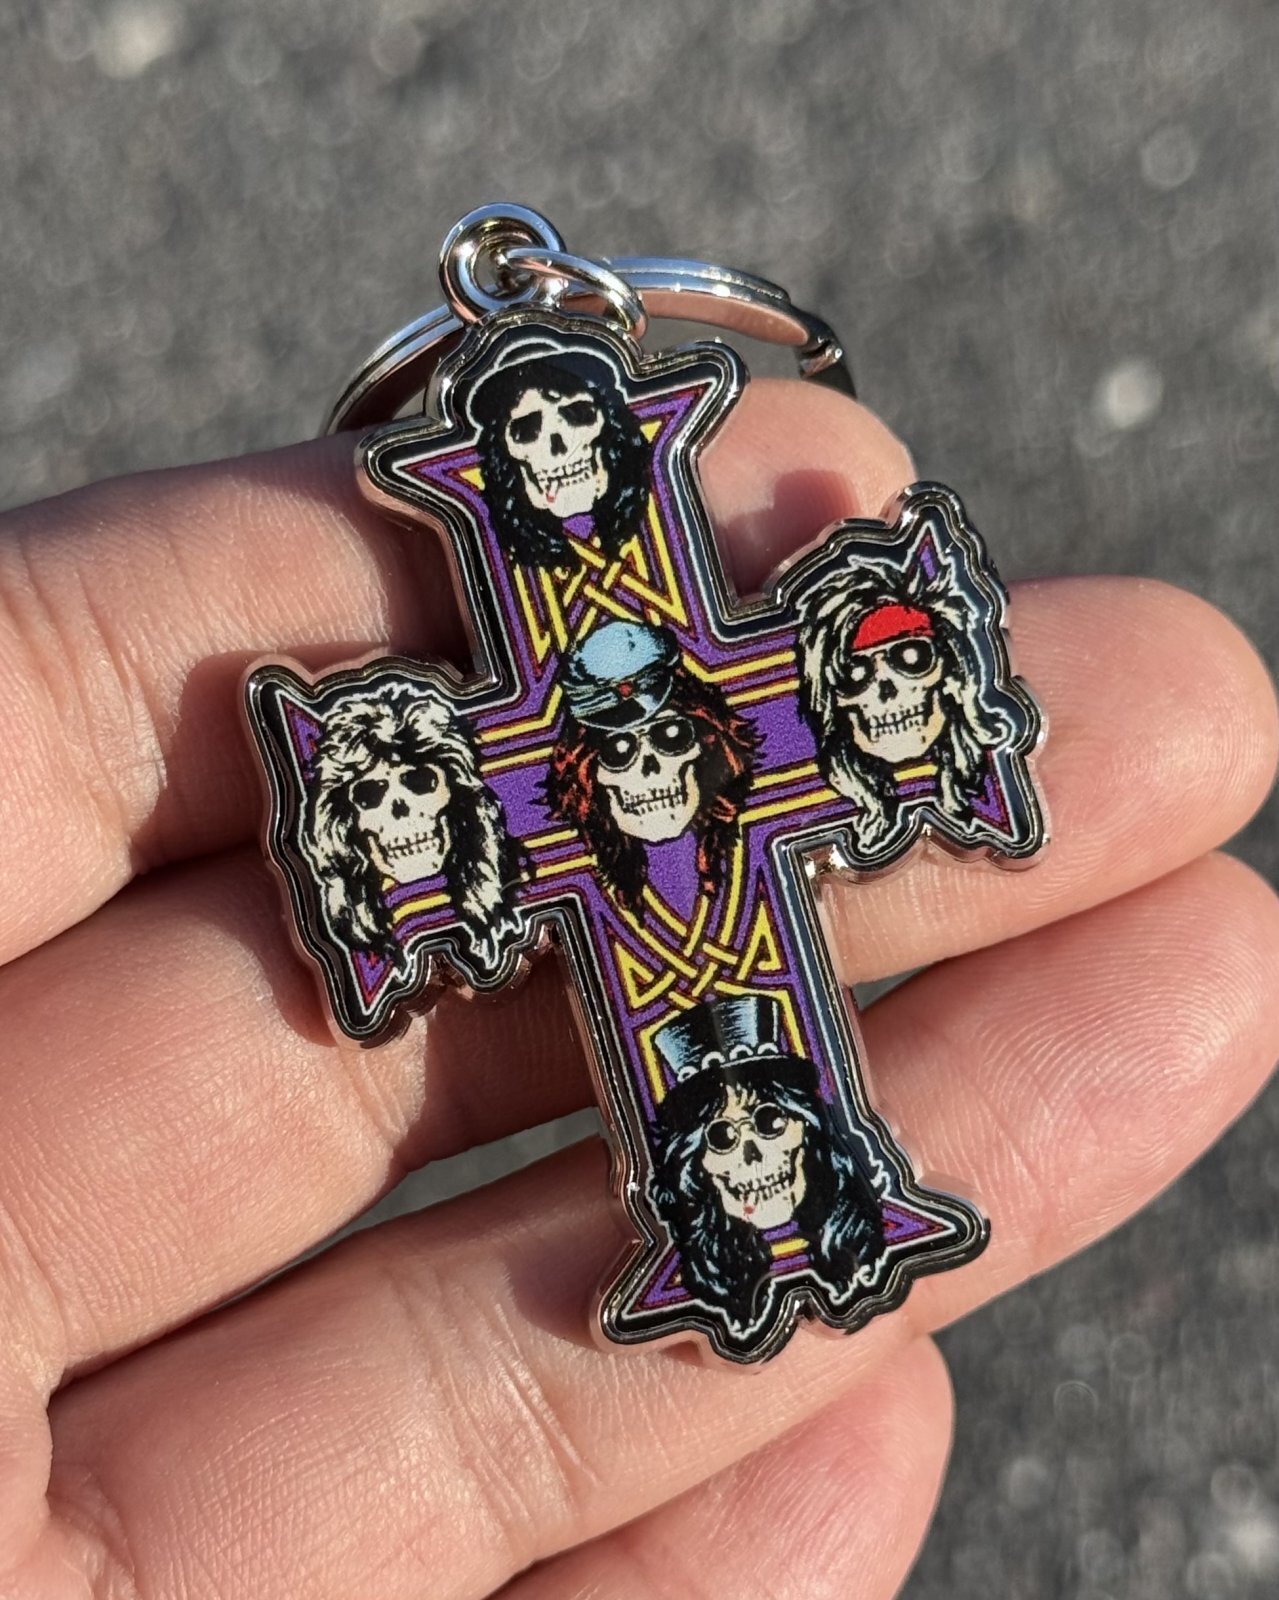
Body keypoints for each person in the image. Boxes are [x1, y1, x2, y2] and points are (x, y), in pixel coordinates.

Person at [0, 378, 1274, 1599]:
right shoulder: (500, 798)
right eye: (614, 756)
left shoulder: (785, 725)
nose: (645, 771)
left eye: (669, 743)